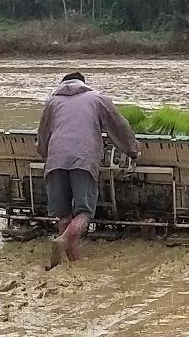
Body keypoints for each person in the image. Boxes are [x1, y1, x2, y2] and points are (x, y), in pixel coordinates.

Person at [35, 71, 137, 268]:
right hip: (83, 159)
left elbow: (42, 137)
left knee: (64, 215)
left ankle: (71, 261)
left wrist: (46, 156)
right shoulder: (97, 99)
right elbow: (119, 127)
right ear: (83, 83)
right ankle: (63, 240)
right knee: (84, 212)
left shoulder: (52, 102)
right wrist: (132, 150)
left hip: (55, 160)